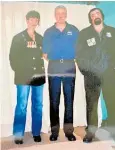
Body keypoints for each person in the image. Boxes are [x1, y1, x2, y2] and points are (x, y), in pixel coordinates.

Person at [76, 8, 115, 143]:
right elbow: (79, 55)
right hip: (91, 76)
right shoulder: (84, 34)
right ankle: (91, 133)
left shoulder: (113, 31)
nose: (95, 16)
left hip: (109, 74)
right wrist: (86, 71)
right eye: (92, 15)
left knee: (112, 104)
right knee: (91, 105)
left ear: (102, 16)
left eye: (97, 13)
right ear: (90, 19)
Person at [42, 5, 79, 141]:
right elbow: (45, 54)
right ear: (54, 15)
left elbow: (80, 48)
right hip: (54, 66)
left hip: (69, 65)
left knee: (69, 100)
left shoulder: (74, 30)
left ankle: (69, 132)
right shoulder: (48, 32)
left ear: (66, 14)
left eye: (63, 13)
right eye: (58, 13)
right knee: (54, 100)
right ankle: (54, 132)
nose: (60, 15)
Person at [9, 10, 45, 144]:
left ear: (38, 21)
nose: (34, 21)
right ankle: (18, 134)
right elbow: (12, 58)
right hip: (23, 76)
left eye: (36, 18)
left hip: (38, 76)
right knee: (22, 105)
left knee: (38, 105)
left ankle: (36, 132)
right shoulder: (18, 37)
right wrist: (20, 70)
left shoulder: (41, 38)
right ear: (27, 20)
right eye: (31, 18)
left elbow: (45, 54)